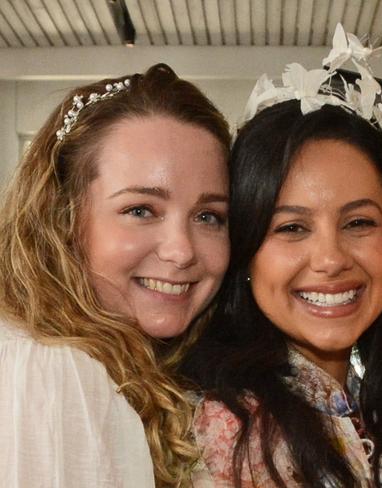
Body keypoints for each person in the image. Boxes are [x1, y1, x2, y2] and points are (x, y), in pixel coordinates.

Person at [0, 63, 231, 487]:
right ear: (62, 217)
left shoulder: (135, 370)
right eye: (140, 210)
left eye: (208, 216)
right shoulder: (51, 374)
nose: (181, 250)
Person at [187, 98, 382, 487]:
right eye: (292, 228)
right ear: (247, 250)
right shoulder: (232, 426)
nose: (331, 259)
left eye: (358, 222)